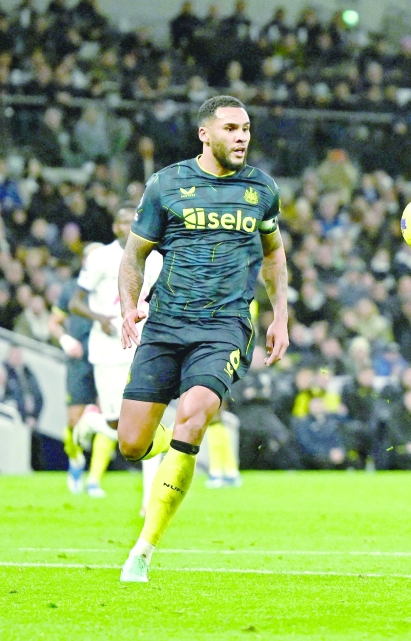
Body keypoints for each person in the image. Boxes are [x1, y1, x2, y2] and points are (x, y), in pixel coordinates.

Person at [116, 95, 289, 582]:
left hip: (225, 325)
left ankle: (143, 550)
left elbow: (273, 255)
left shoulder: (262, 189)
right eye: (232, 128)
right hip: (167, 323)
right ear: (204, 134)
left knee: (194, 417)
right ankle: (174, 447)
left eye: (247, 129)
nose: (242, 137)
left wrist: (281, 317)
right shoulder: (167, 184)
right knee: (130, 443)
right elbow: (134, 256)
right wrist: (130, 307)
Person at [70, 207, 163, 500]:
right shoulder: (100, 258)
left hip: (140, 347)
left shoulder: (155, 258)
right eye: (123, 221)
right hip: (107, 350)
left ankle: (149, 501)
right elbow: (75, 301)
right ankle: (93, 421)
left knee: (146, 424)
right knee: (117, 426)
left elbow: (156, 297)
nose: (129, 226)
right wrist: (101, 319)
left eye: (134, 220)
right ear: (115, 227)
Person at [47, 260, 98, 495]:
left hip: (106, 358)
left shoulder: (117, 284)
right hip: (79, 361)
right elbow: (54, 323)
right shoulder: (70, 289)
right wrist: (66, 340)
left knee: (110, 416)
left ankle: (95, 479)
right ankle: (76, 462)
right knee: (74, 420)